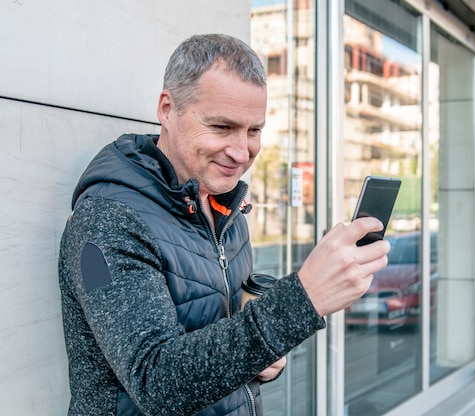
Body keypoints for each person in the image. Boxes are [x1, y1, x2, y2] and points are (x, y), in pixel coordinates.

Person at [58, 33, 390, 415]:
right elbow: (157, 383)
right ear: (167, 109)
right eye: (221, 127)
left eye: (254, 131)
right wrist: (304, 299)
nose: (241, 151)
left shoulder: (224, 205)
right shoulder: (108, 219)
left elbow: (224, 342)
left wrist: (265, 355)